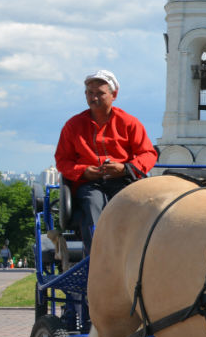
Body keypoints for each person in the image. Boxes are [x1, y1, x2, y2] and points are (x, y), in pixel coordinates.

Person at [54, 69, 158, 253]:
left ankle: (136, 253)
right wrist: (83, 171)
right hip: (89, 184)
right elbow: (62, 160)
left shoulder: (129, 123)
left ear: (113, 95)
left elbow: (148, 154)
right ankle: (99, 255)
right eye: (89, 93)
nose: (93, 98)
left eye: (99, 93)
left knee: (132, 204)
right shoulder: (73, 125)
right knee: (93, 203)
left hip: (124, 181)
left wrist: (125, 168)